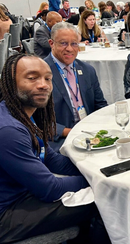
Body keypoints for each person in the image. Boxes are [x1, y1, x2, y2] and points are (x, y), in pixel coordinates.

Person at [0, 53, 122, 244]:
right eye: (32, 77)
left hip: (15, 198)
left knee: (93, 190)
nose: (43, 85)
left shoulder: (19, 114)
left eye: (48, 79)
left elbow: (52, 159)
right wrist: (103, 178)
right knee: (105, 200)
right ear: (9, 81)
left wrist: (99, 167)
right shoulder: (6, 130)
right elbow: (49, 188)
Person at [44, 22, 108, 151]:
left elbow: (100, 104)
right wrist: (71, 132)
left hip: (91, 135)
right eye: (63, 43)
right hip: (59, 141)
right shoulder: (41, 73)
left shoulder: (87, 70)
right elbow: (36, 120)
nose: (69, 49)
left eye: (74, 44)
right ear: (51, 44)